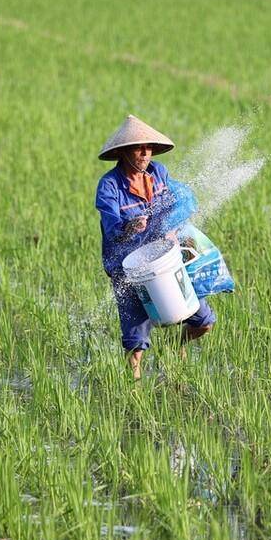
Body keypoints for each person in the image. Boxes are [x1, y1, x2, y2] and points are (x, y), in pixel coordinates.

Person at [95, 115, 215, 377]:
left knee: (203, 321)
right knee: (136, 338)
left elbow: (175, 204)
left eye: (148, 148)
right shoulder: (109, 186)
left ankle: (176, 346)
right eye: (138, 148)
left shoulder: (159, 173)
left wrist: (172, 229)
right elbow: (112, 226)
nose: (144, 153)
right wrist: (130, 227)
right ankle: (134, 387)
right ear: (123, 152)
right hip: (128, 268)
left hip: (163, 259)